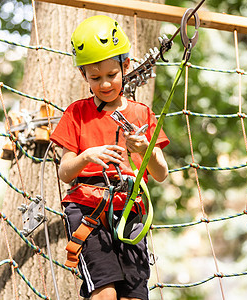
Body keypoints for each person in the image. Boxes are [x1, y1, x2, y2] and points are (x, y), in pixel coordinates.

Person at [50, 15, 169, 300]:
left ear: (125, 66)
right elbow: (65, 172)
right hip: (88, 209)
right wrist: (86, 156)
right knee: (104, 294)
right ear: (83, 75)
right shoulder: (76, 113)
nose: (104, 84)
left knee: (133, 296)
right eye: (95, 77)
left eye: (111, 75)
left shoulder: (141, 114)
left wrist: (143, 149)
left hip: (129, 210)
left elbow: (161, 173)